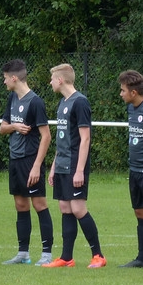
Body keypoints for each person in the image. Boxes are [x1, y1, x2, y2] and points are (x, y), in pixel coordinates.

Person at [43, 63, 105, 268]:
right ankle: (66, 257)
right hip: (62, 164)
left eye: (52, 79)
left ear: (60, 80)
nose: (50, 82)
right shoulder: (63, 103)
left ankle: (98, 255)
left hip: (74, 164)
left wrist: (79, 171)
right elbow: (62, 139)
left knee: (78, 208)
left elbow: (85, 139)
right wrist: (54, 167)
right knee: (65, 208)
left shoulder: (80, 102)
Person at [0, 59, 53, 265]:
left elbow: (46, 136)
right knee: (20, 204)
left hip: (31, 160)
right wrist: (14, 126)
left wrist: (37, 166)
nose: (4, 82)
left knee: (39, 204)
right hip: (15, 159)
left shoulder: (35, 102)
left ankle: (46, 254)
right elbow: (2, 128)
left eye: (5, 78)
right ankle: (23, 253)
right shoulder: (12, 98)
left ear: (14, 78)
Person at [117, 69, 143, 268]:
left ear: (133, 92)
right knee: (141, 214)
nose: (121, 94)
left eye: (123, 90)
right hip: (134, 170)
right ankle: (142, 258)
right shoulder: (131, 108)